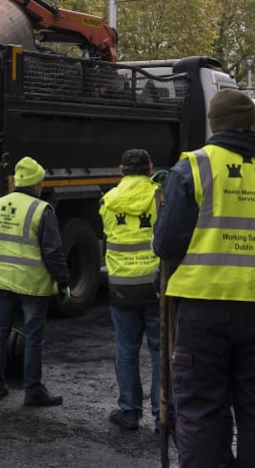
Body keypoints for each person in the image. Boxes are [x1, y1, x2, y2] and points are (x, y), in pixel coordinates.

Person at [152, 88, 255, 468]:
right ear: (252, 123)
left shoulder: (194, 167)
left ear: (214, 124)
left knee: (201, 410)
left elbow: (166, 245)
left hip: (203, 309)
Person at [0, 156, 71, 406]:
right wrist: (63, 282)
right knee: (33, 336)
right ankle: (33, 391)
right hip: (32, 284)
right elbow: (53, 252)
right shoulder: (41, 210)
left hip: (1, 280)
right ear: (36, 183)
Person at [99, 148, 163, 431]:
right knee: (161, 352)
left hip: (122, 288)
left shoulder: (108, 200)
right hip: (155, 286)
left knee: (126, 351)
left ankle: (129, 413)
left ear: (121, 171)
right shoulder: (160, 196)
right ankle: (164, 415)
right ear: (150, 170)